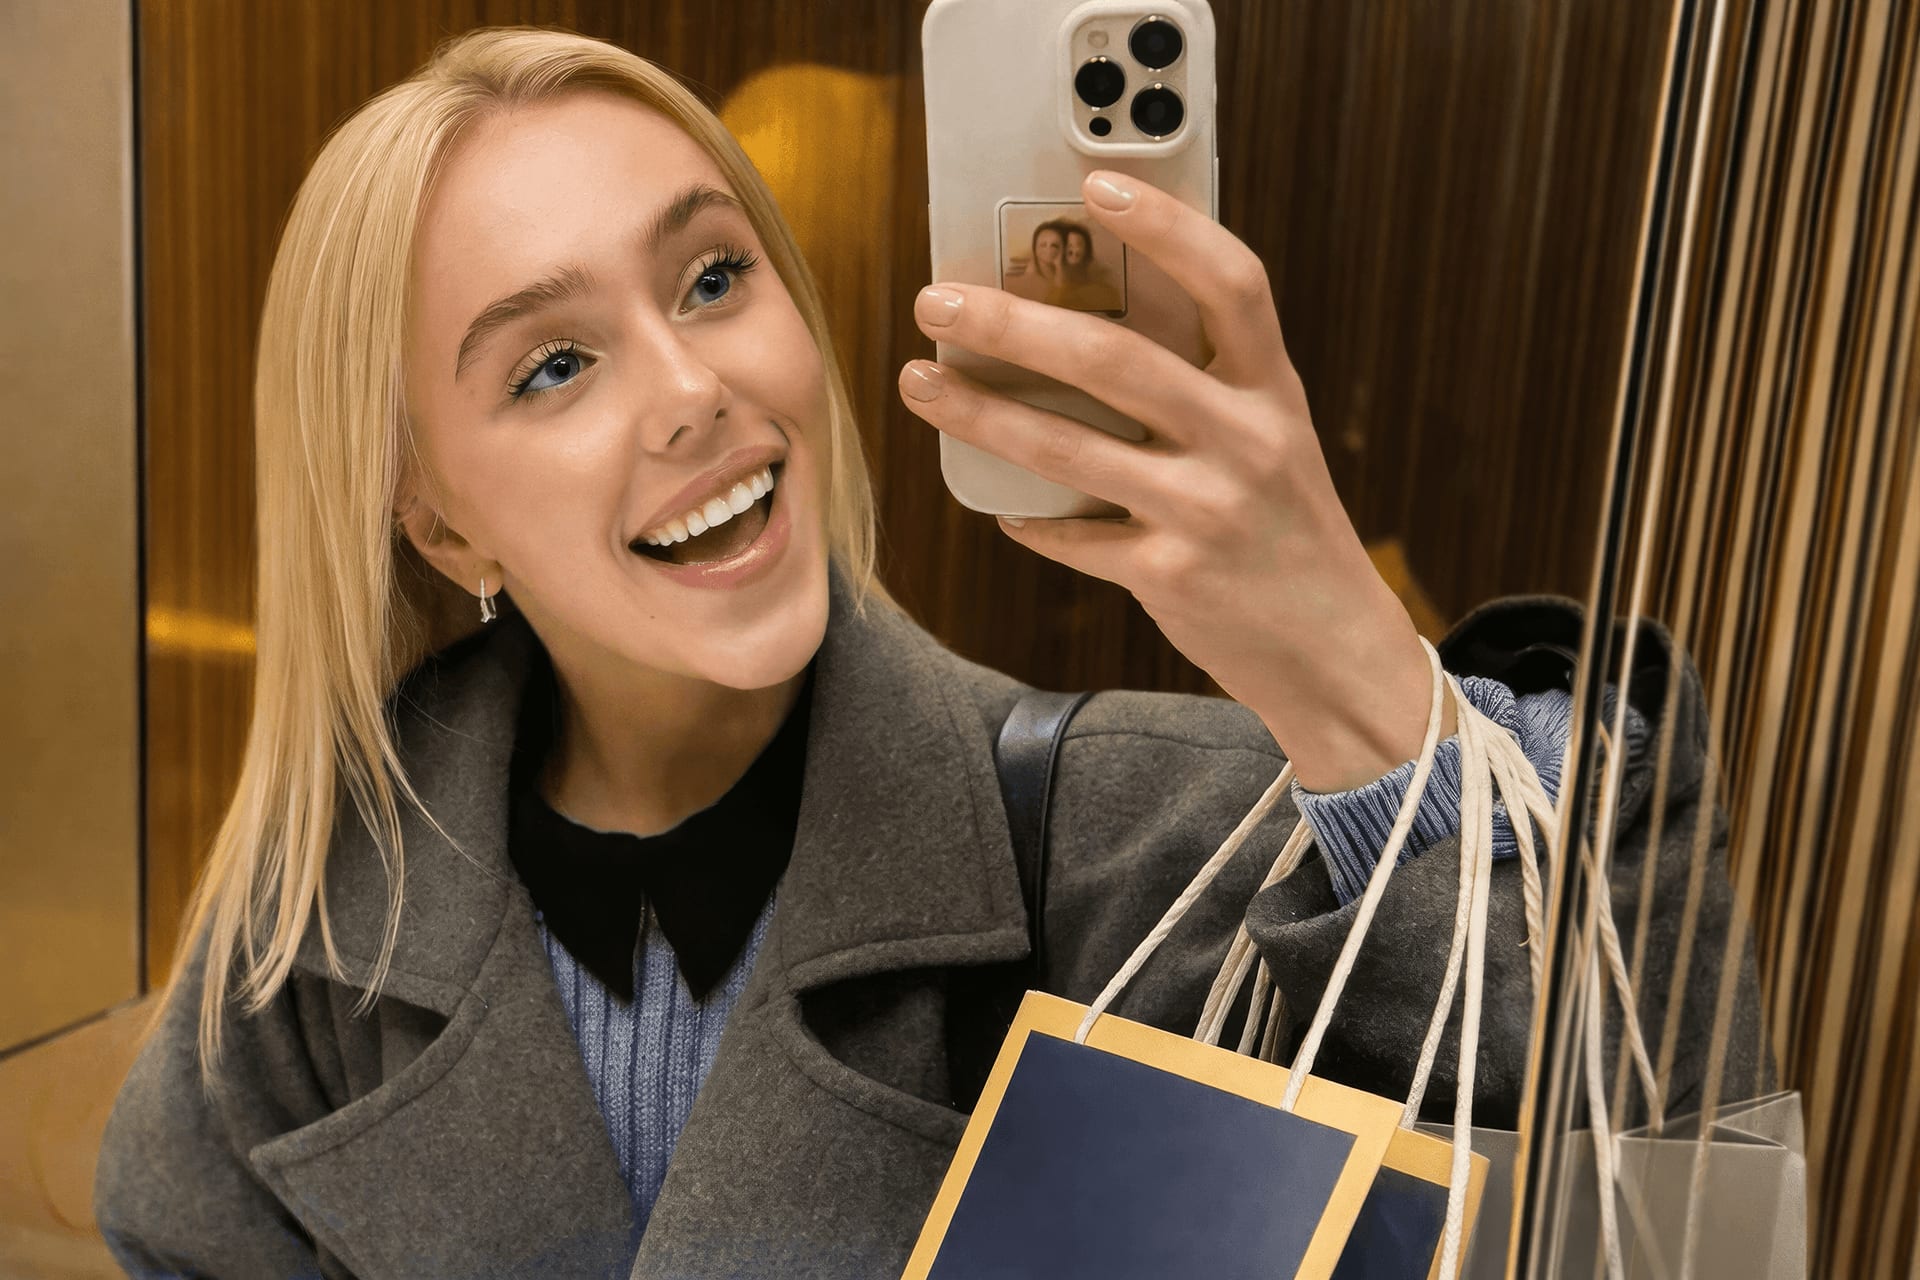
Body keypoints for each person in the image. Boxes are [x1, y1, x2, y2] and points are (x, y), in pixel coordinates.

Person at [92, 26, 1765, 1280]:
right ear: (441, 525)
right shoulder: (314, 938)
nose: (692, 390)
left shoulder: (1159, 841)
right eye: (553, 366)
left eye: (713, 276)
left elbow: (1660, 1199)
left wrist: (1359, 688)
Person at [1050, 222, 1124, 312]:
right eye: (1068, 245)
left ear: (1087, 251)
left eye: (1078, 245)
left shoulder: (1105, 291)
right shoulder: (1051, 290)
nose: (1073, 251)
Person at [1005, 219, 1069, 302]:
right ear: (1035, 247)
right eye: (1043, 245)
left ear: (1063, 249)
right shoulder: (1025, 280)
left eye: (1054, 245)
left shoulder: (1068, 277)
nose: (1048, 249)